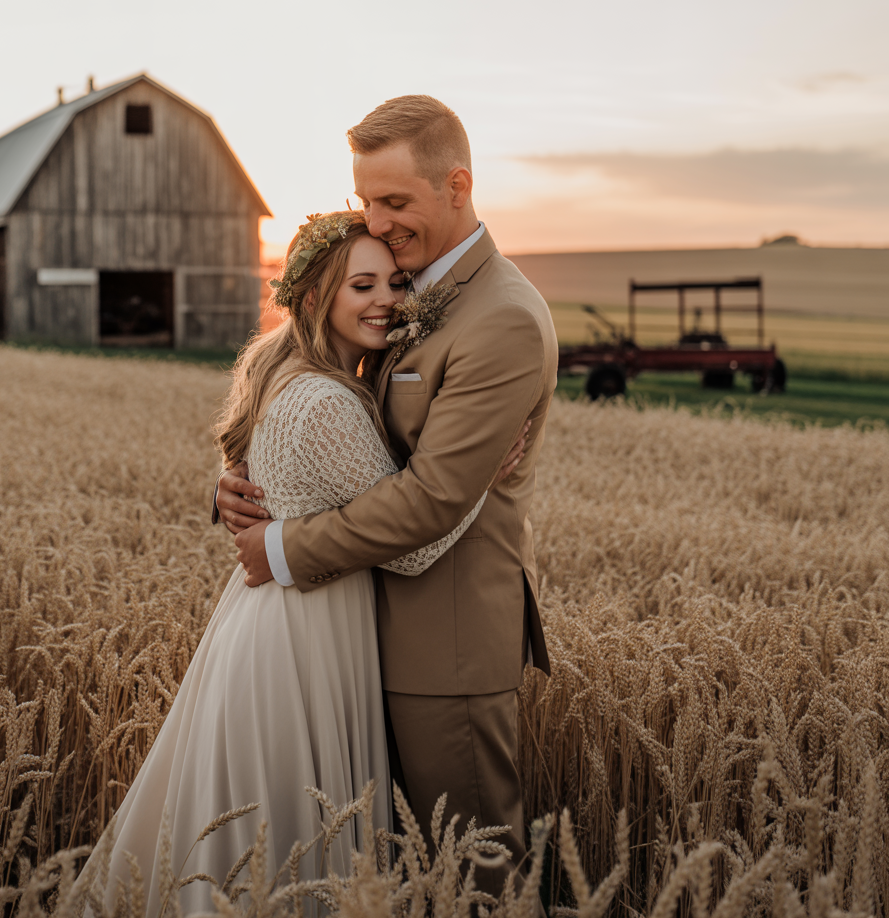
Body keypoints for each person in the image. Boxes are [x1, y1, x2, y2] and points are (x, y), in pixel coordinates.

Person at [82, 212, 523, 915]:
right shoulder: (326, 401)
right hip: (303, 638)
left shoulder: (281, 370)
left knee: (266, 841)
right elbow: (413, 549)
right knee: (295, 842)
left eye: (396, 282)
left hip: (270, 619)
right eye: (363, 285)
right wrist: (480, 478)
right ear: (316, 298)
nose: (388, 299)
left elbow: (267, 477)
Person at [216, 95, 558, 894]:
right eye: (367, 199)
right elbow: (319, 400)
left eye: (394, 201)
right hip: (357, 636)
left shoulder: (499, 318)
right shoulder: (409, 294)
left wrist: (279, 545)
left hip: (445, 645)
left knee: (478, 882)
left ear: (458, 186)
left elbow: (434, 500)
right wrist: (243, 485)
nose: (376, 218)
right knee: (394, 878)